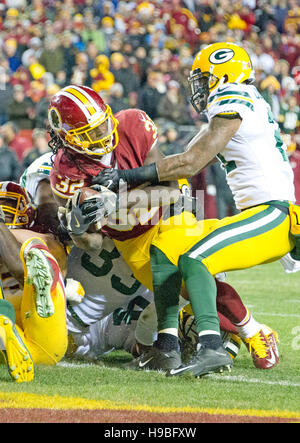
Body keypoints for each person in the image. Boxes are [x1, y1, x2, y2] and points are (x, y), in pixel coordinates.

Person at [91, 42, 299, 377]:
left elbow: (191, 161)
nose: (199, 87)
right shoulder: (239, 106)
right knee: (165, 252)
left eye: (204, 78)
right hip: (256, 213)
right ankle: (167, 348)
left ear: (224, 74)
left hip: (273, 213)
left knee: (194, 258)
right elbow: (181, 162)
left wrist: (124, 176)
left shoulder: (234, 98)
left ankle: (212, 347)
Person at [48, 84, 281, 374]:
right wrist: (78, 232)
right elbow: (94, 244)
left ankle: (245, 334)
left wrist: (118, 201)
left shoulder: (131, 123)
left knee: (188, 270)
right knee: (181, 289)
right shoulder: (66, 174)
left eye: (104, 123)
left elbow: (169, 189)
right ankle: (244, 333)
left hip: (171, 212)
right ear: (70, 138)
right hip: (130, 239)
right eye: (92, 133)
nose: (104, 133)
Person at [0, 182, 68, 382]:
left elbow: (21, 271)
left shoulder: (45, 239)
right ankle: (6, 334)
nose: (5, 209)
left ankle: (5, 332)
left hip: (34, 314)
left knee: (36, 249)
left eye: (9, 204)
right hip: (36, 337)